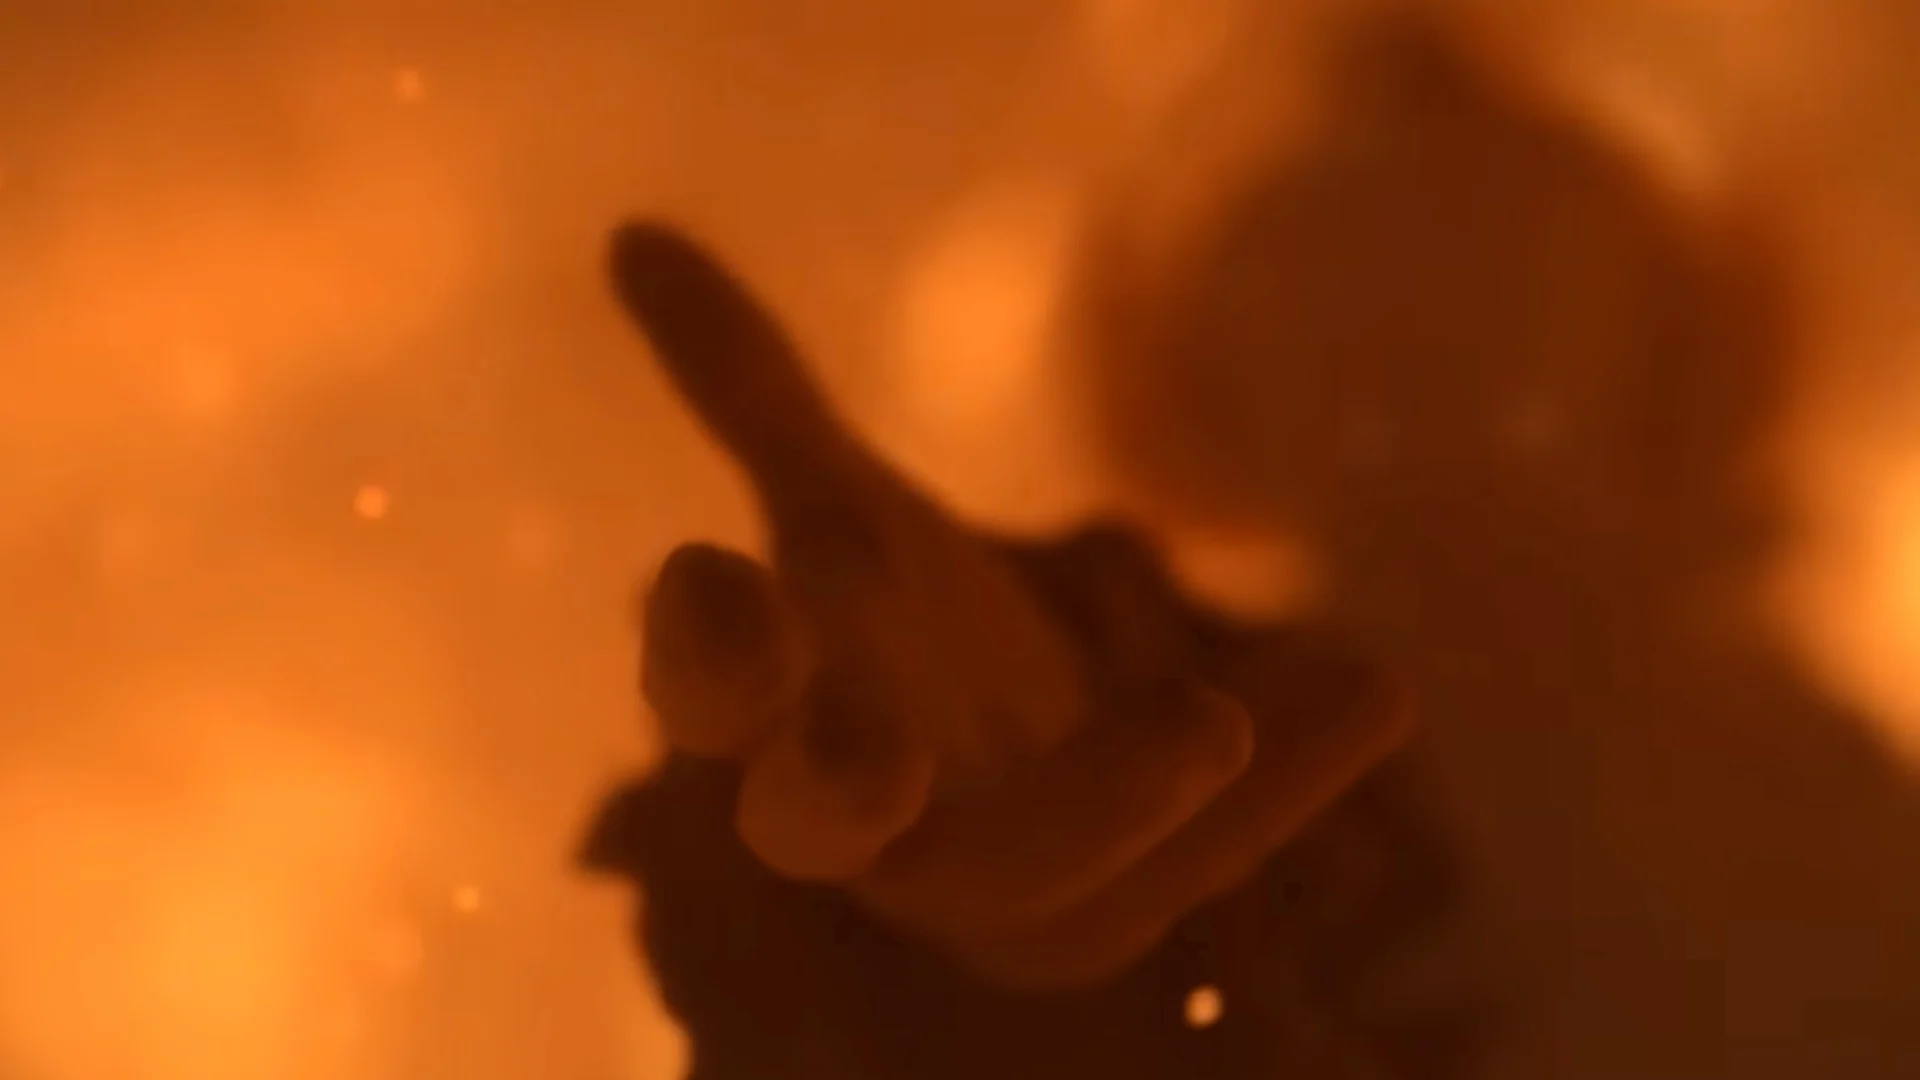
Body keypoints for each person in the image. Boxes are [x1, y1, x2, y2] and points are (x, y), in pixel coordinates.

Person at [582, 10, 1920, 1079]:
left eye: (1498, 218)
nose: (1429, 314)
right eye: (1337, 246)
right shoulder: (1184, 746)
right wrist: (890, 960)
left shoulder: (1816, 789)